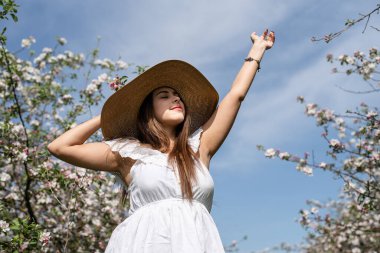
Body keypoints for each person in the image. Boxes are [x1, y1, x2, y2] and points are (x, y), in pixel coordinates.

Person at [47, 29, 275, 253]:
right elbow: (60, 147)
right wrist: (110, 114)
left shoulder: (199, 148)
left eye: (178, 96)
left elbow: (236, 95)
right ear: (148, 110)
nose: (175, 99)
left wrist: (258, 49)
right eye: (164, 96)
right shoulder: (127, 154)